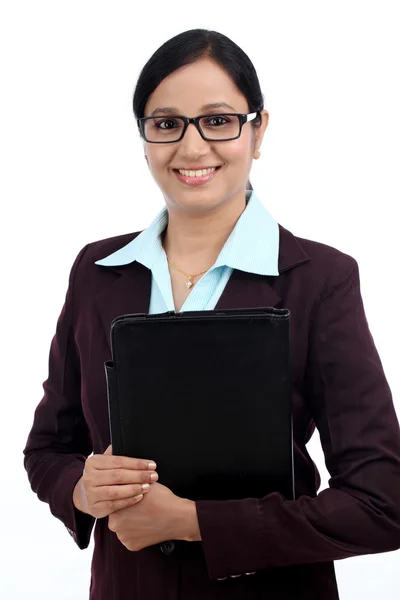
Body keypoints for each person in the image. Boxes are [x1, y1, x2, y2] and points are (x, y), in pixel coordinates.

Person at [23, 28, 400, 600]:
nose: (192, 148)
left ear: (258, 130)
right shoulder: (97, 272)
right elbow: (48, 449)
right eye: (166, 123)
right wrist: (81, 490)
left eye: (218, 120)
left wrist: (194, 522)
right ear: (145, 137)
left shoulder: (319, 280)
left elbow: (382, 500)